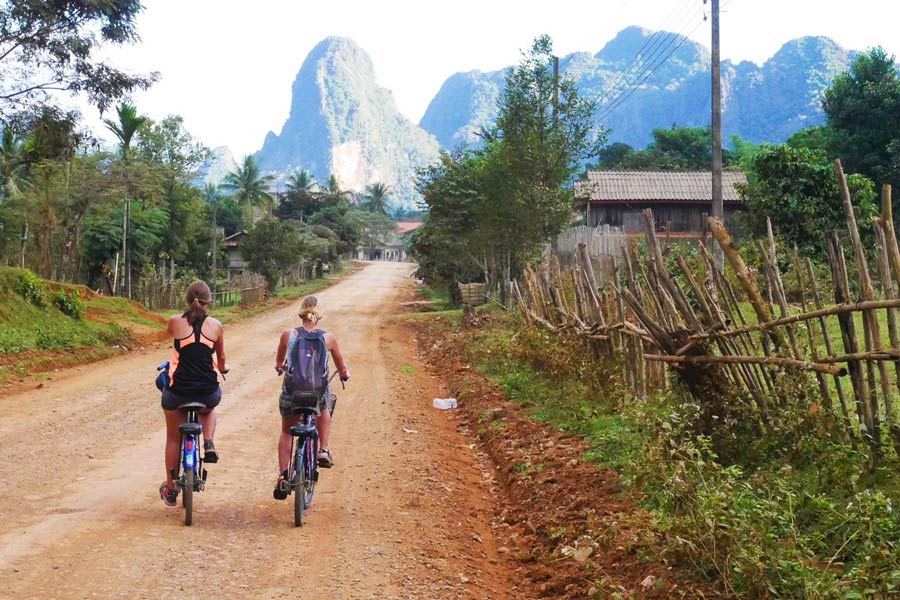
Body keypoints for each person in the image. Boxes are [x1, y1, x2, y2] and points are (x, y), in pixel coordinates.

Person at [159, 280, 228, 506]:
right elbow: (222, 359)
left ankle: (170, 489)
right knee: (209, 409)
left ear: (187, 299)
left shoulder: (174, 322)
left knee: (172, 438)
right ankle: (208, 441)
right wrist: (223, 368)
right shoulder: (216, 326)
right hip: (206, 392)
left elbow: (175, 338)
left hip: (177, 392)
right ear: (209, 300)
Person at [273, 295, 349, 499]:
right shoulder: (328, 338)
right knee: (323, 409)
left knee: (287, 431)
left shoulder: (288, 335)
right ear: (319, 314)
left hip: (292, 393)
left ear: (301, 312)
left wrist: (280, 367)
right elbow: (341, 366)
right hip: (316, 394)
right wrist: (343, 374)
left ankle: (282, 475)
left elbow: (279, 362)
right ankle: (323, 449)